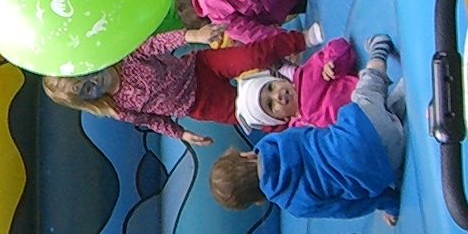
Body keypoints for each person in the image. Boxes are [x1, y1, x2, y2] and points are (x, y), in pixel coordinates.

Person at [214, 35, 408, 222]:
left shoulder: (294, 205)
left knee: (374, 140)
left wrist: (389, 203)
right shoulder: (279, 142)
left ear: (258, 201)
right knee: (367, 93)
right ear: (247, 155)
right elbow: (315, 134)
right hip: (367, 125)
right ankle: (379, 52)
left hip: (388, 166)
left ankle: (396, 116)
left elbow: (346, 208)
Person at [43, 22, 303, 145]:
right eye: (87, 89)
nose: (93, 81)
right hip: (199, 104)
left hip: (201, 67)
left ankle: (301, 39)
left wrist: (195, 35)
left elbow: (158, 43)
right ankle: (301, 119)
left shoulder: (126, 57)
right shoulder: (118, 107)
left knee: (251, 56)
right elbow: (152, 121)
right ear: (88, 101)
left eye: (86, 74)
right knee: (253, 114)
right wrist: (181, 134)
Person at [234, 32, 361, 133]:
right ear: (280, 119)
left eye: (271, 87)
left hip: (363, 96)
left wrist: (333, 61)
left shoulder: (307, 76)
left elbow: (340, 46)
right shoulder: (299, 132)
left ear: (280, 80)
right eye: (270, 104)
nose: (277, 96)